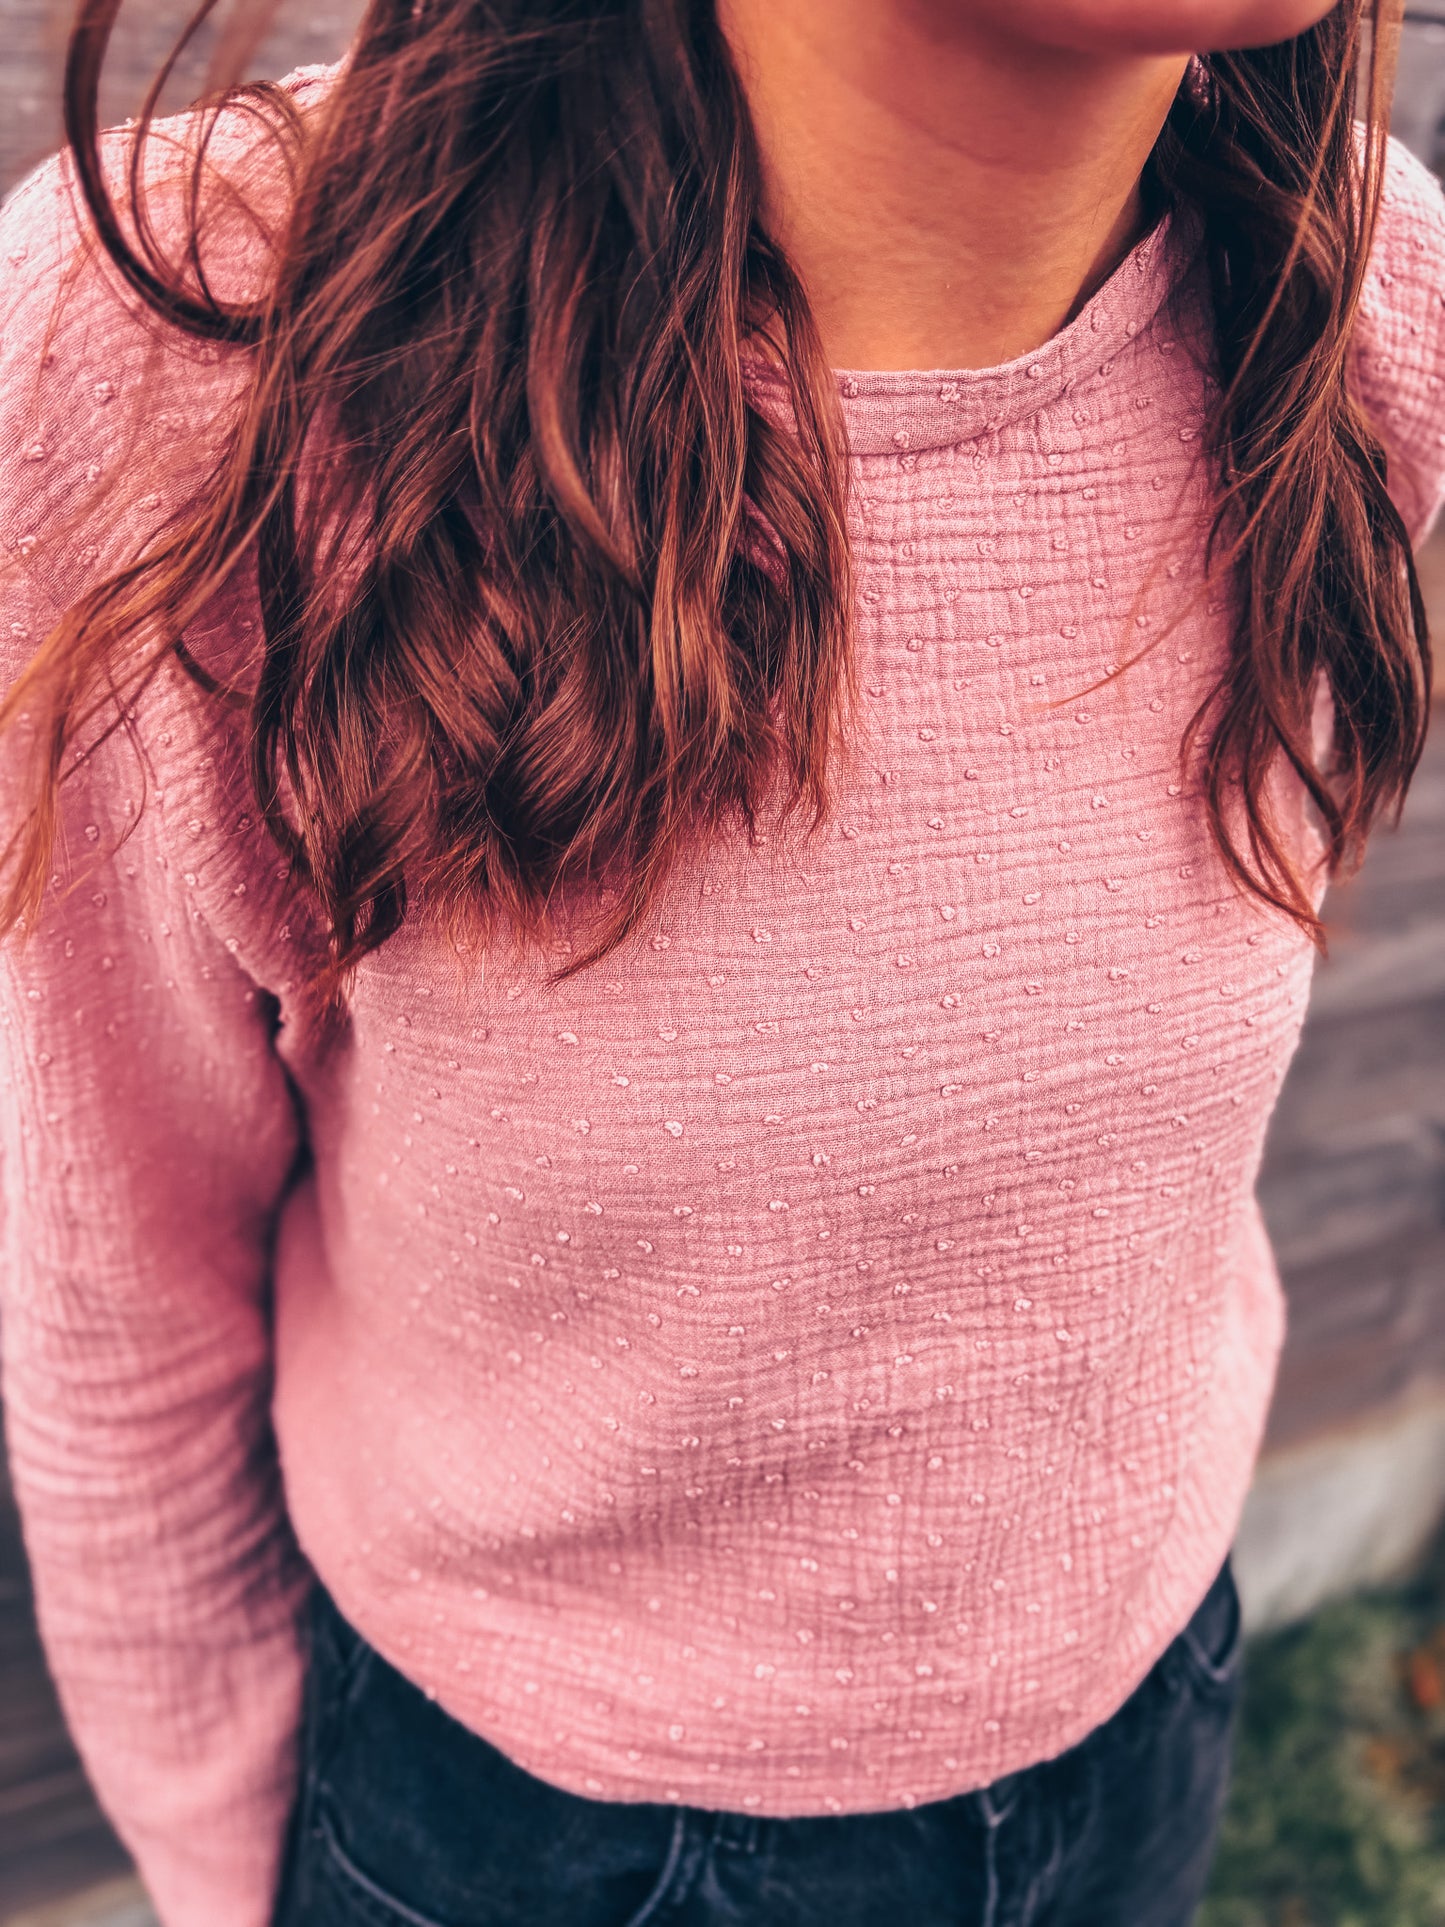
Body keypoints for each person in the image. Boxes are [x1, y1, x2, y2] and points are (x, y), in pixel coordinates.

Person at [0, 0, 1439, 1921]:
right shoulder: (207, 350)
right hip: (526, 1837)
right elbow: (121, 1279)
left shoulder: (1351, 295)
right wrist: (220, 1858)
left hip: (1136, 1723)